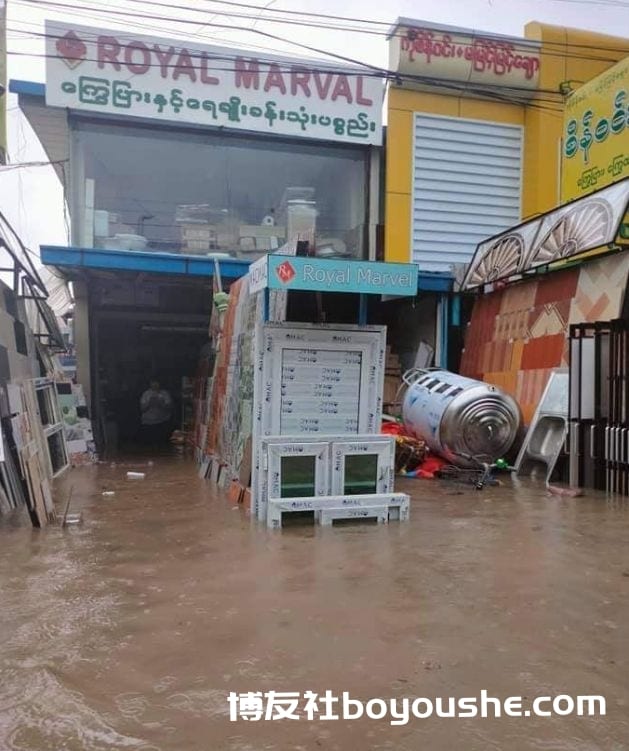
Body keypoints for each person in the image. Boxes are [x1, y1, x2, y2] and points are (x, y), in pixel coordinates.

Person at [139, 379, 173, 444]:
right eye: (153, 382)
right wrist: (149, 403)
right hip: (148, 423)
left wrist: (161, 403)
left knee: (161, 442)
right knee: (149, 443)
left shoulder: (165, 393)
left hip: (162, 422)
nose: (155, 384)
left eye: (156, 382)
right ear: (150, 383)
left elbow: (169, 408)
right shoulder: (146, 394)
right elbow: (142, 409)